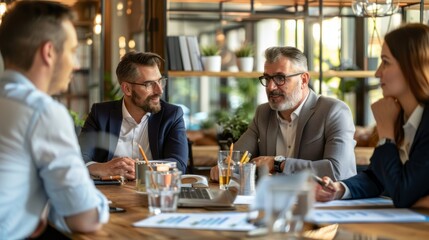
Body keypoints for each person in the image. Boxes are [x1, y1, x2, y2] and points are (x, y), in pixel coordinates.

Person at [0, 1, 109, 239]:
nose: (76, 63)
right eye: (72, 51)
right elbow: (86, 218)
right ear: (48, 52)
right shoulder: (42, 111)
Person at [315, 23, 429, 208]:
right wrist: (340, 188)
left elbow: (402, 193)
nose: (377, 73)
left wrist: (386, 135)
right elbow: (379, 176)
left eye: (386, 62)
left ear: (411, 66)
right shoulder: (401, 116)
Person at [210, 46, 356, 181]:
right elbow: (234, 158)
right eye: (267, 78)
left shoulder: (334, 111)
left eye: (280, 78)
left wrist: (278, 164)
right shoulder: (263, 113)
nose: (271, 87)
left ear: (303, 80)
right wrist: (224, 167)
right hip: (273, 200)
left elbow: (338, 171)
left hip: (323, 204)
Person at [78, 51, 188, 179]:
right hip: (108, 193)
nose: (159, 90)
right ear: (127, 89)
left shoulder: (172, 115)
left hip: (153, 192)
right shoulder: (100, 114)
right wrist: (103, 168)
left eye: (160, 81)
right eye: (149, 84)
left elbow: (178, 164)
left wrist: (142, 169)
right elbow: (79, 157)